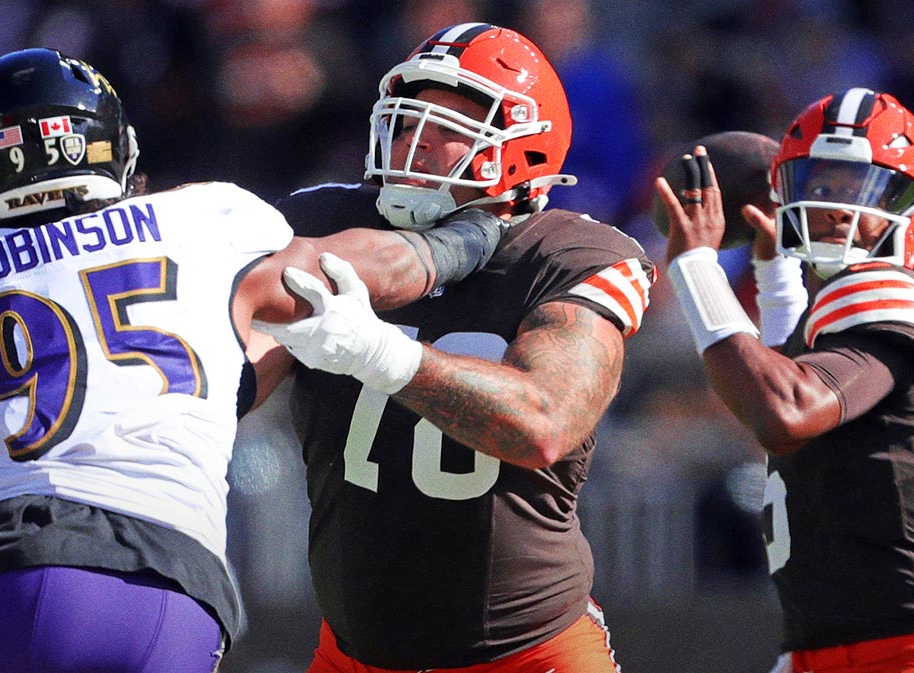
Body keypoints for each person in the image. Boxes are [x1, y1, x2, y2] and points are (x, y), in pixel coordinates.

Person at [0, 47, 503, 673]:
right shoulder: (200, 218)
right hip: (186, 598)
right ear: (112, 147)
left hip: (34, 569)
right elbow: (345, 271)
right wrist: (467, 239)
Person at [255, 23, 656, 672]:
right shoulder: (328, 221)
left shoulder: (571, 254)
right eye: (408, 122)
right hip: (353, 653)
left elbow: (544, 421)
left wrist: (378, 353)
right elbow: (236, 383)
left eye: (446, 125)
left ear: (521, 147)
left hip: (526, 652)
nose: (414, 141)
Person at [655, 87, 914, 673]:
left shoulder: (892, 288)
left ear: (913, 203)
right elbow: (789, 376)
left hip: (912, 647)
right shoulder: (831, 315)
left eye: (863, 188)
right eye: (819, 186)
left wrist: (696, 268)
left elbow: (784, 409)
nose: (835, 208)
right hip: (816, 648)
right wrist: (772, 272)